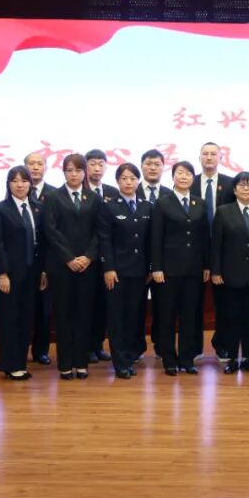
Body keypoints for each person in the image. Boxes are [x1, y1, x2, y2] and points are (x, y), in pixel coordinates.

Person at [43, 153, 101, 379]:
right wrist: (69, 258)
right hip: (61, 267)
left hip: (87, 267)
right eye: (69, 170)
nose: (74, 174)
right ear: (63, 172)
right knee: (64, 315)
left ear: (84, 172)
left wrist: (88, 257)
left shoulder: (93, 198)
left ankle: (81, 363)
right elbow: (50, 231)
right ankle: (65, 364)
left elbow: (100, 231)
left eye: (78, 170)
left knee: (84, 314)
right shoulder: (53, 197)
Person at [151, 161, 211, 376]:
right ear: (173, 177)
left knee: (189, 315)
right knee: (167, 315)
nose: (184, 177)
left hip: (194, 270)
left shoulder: (199, 203)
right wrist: (156, 267)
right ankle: (169, 359)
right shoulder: (162, 203)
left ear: (193, 178)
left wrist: (206, 264)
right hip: (168, 270)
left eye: (188, 174)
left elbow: (205, 236)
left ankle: (186, 358)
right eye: (180, 173)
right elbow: (156, 237)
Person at [0, 165, 46, 381]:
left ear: (30, 184)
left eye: (24, 181)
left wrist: (43, 271)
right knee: (10, 320)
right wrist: (2, 273)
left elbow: (42, 242)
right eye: (14, 181)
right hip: (10, 275)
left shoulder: (38, 208)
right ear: (8, 184)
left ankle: (20, 362)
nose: (20, 185)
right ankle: (10, 365)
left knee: (26, 319)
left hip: (32, 273)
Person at [211, 172, 249, 374]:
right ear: (234, 189)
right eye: (241, 185)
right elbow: (217, 244)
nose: (246, 189)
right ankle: (231, 358)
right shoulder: (223, 211)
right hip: (230, 275)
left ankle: (247, 358)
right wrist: (216, 271)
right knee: (231, 318)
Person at [98, 162, 154, 379]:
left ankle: (130, 357)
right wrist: (109, 268)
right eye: (124, 178)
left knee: (134, 315)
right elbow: (105, 240)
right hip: (117, 272)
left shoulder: (146, 206)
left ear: (138, 181)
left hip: (139, 272)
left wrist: (150, 267)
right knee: (117, 318)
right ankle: (120, 363)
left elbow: (149, 240)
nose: (128, 182)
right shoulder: (109, 206)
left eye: (132, 178)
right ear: (117, 181)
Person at [191, 142, 235, 362]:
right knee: (193, 301)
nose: (209, 157)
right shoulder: (190, 182)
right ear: (199, 157)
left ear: (220, 158)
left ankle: (223, 346)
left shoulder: (230, 184)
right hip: (195, 250)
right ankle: (194, 347)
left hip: (224, 251)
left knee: (224, 302)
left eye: (213, 154)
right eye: (205, 154)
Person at [135, 148, 173, 362]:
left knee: (162, 306)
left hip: (164, 263)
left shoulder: (170, 194)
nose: (152, 168)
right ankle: (136, 347)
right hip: (136, 261)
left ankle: (161, 345)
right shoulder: (131, 191)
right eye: (148, 164)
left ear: (163, 167)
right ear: (141, 167)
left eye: (157, 164)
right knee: (136, 306)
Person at [85, 148, 117, 364]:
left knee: (104, 305)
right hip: (86, 258)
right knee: (87, 304)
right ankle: (86, 347)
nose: (97, 168)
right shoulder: (79, 190)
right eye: (92, 164)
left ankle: (98, 345)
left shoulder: (112, 192)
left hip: (108, 257)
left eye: (101, 164)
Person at [25, 151, 56, 365]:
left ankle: (41, 350)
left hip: (47, 260)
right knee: (24, 309)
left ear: (46, 167)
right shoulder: (18, 190)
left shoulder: (55, 193)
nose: (35, 167)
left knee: (44, 310)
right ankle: (20, 349)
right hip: (23, 260)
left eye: (39, 164)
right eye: (31, 164)